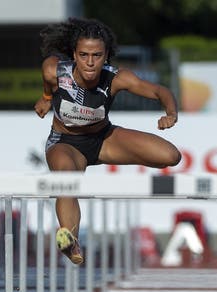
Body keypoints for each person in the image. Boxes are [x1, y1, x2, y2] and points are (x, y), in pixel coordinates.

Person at [34, 18, 181, 265]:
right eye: (84, 55)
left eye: (97, 55)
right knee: (65, 179)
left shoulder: (116, 78)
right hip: (66, 143)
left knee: (170, 156)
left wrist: (171, 113)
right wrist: (47, 98)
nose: (90, 62)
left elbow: (159, 91)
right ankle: (70, 239)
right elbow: (48, 84)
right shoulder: (55, 70)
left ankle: (70, 234)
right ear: (74, 55)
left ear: (106, 56)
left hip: (104, 139)